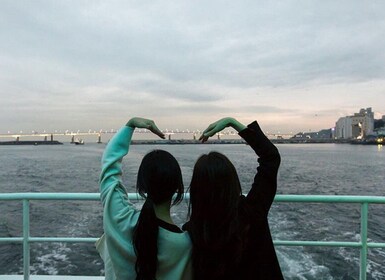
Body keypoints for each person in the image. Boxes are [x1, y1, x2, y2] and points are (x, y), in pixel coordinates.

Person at [183, 117, 283, 279]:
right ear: (233, 181)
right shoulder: (252, 211)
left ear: (197, 190)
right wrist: (232, 123)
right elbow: (270, 158)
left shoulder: (192, 233)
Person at [96, 117, 192, 280]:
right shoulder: (185, 244)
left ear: (142, 186)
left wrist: (130, 124)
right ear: (178, 187)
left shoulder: (120, 219)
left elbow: (109, 168)